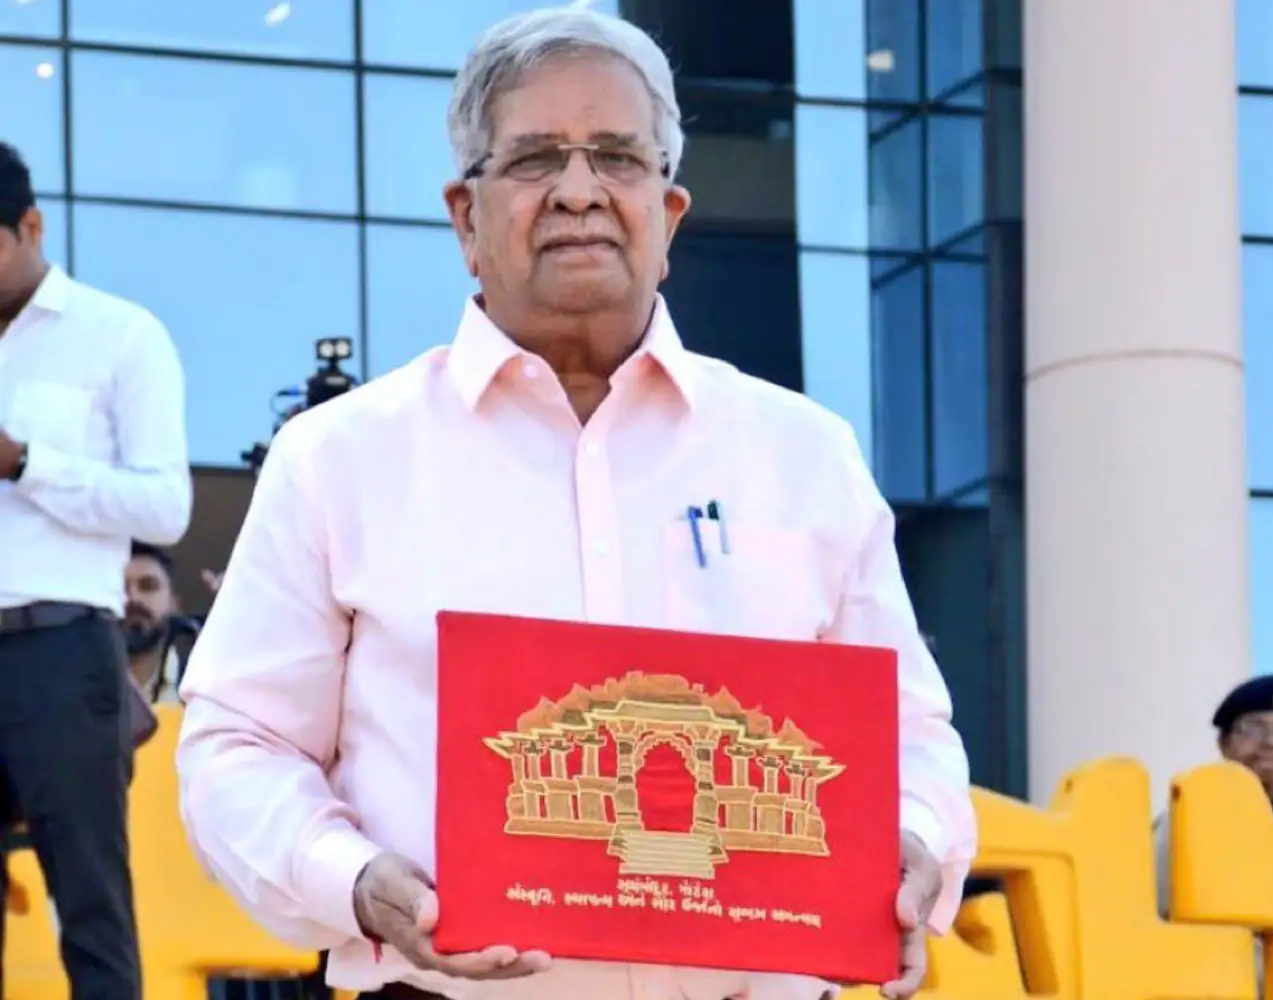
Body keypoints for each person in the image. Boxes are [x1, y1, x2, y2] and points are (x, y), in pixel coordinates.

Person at [176, 8, 976, 1000]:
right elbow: (236, 746)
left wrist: (910, 843)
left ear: (668, 213)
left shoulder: (802, 455)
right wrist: (354, 880)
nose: (577, 190)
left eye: (615, 156)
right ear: (465, 217)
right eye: (533, 158)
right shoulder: (339, 458)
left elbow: (912, 738)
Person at [0, 141, 191, 999]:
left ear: (30, 227)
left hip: (60, 652)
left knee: (92, 910)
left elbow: (165, 510)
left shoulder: (120, 335)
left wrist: (23, 462)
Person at [1153, 674, 1273, 987]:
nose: (1271, 741)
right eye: (1254, 728)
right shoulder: (1191, 818)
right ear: (1224, 744)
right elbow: (1154, 910)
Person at [123, 541, 186, 703]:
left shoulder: (199, 686)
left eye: (148, 586)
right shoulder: (70, 685)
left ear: (174, 604)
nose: (133, 598)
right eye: (120, 588)